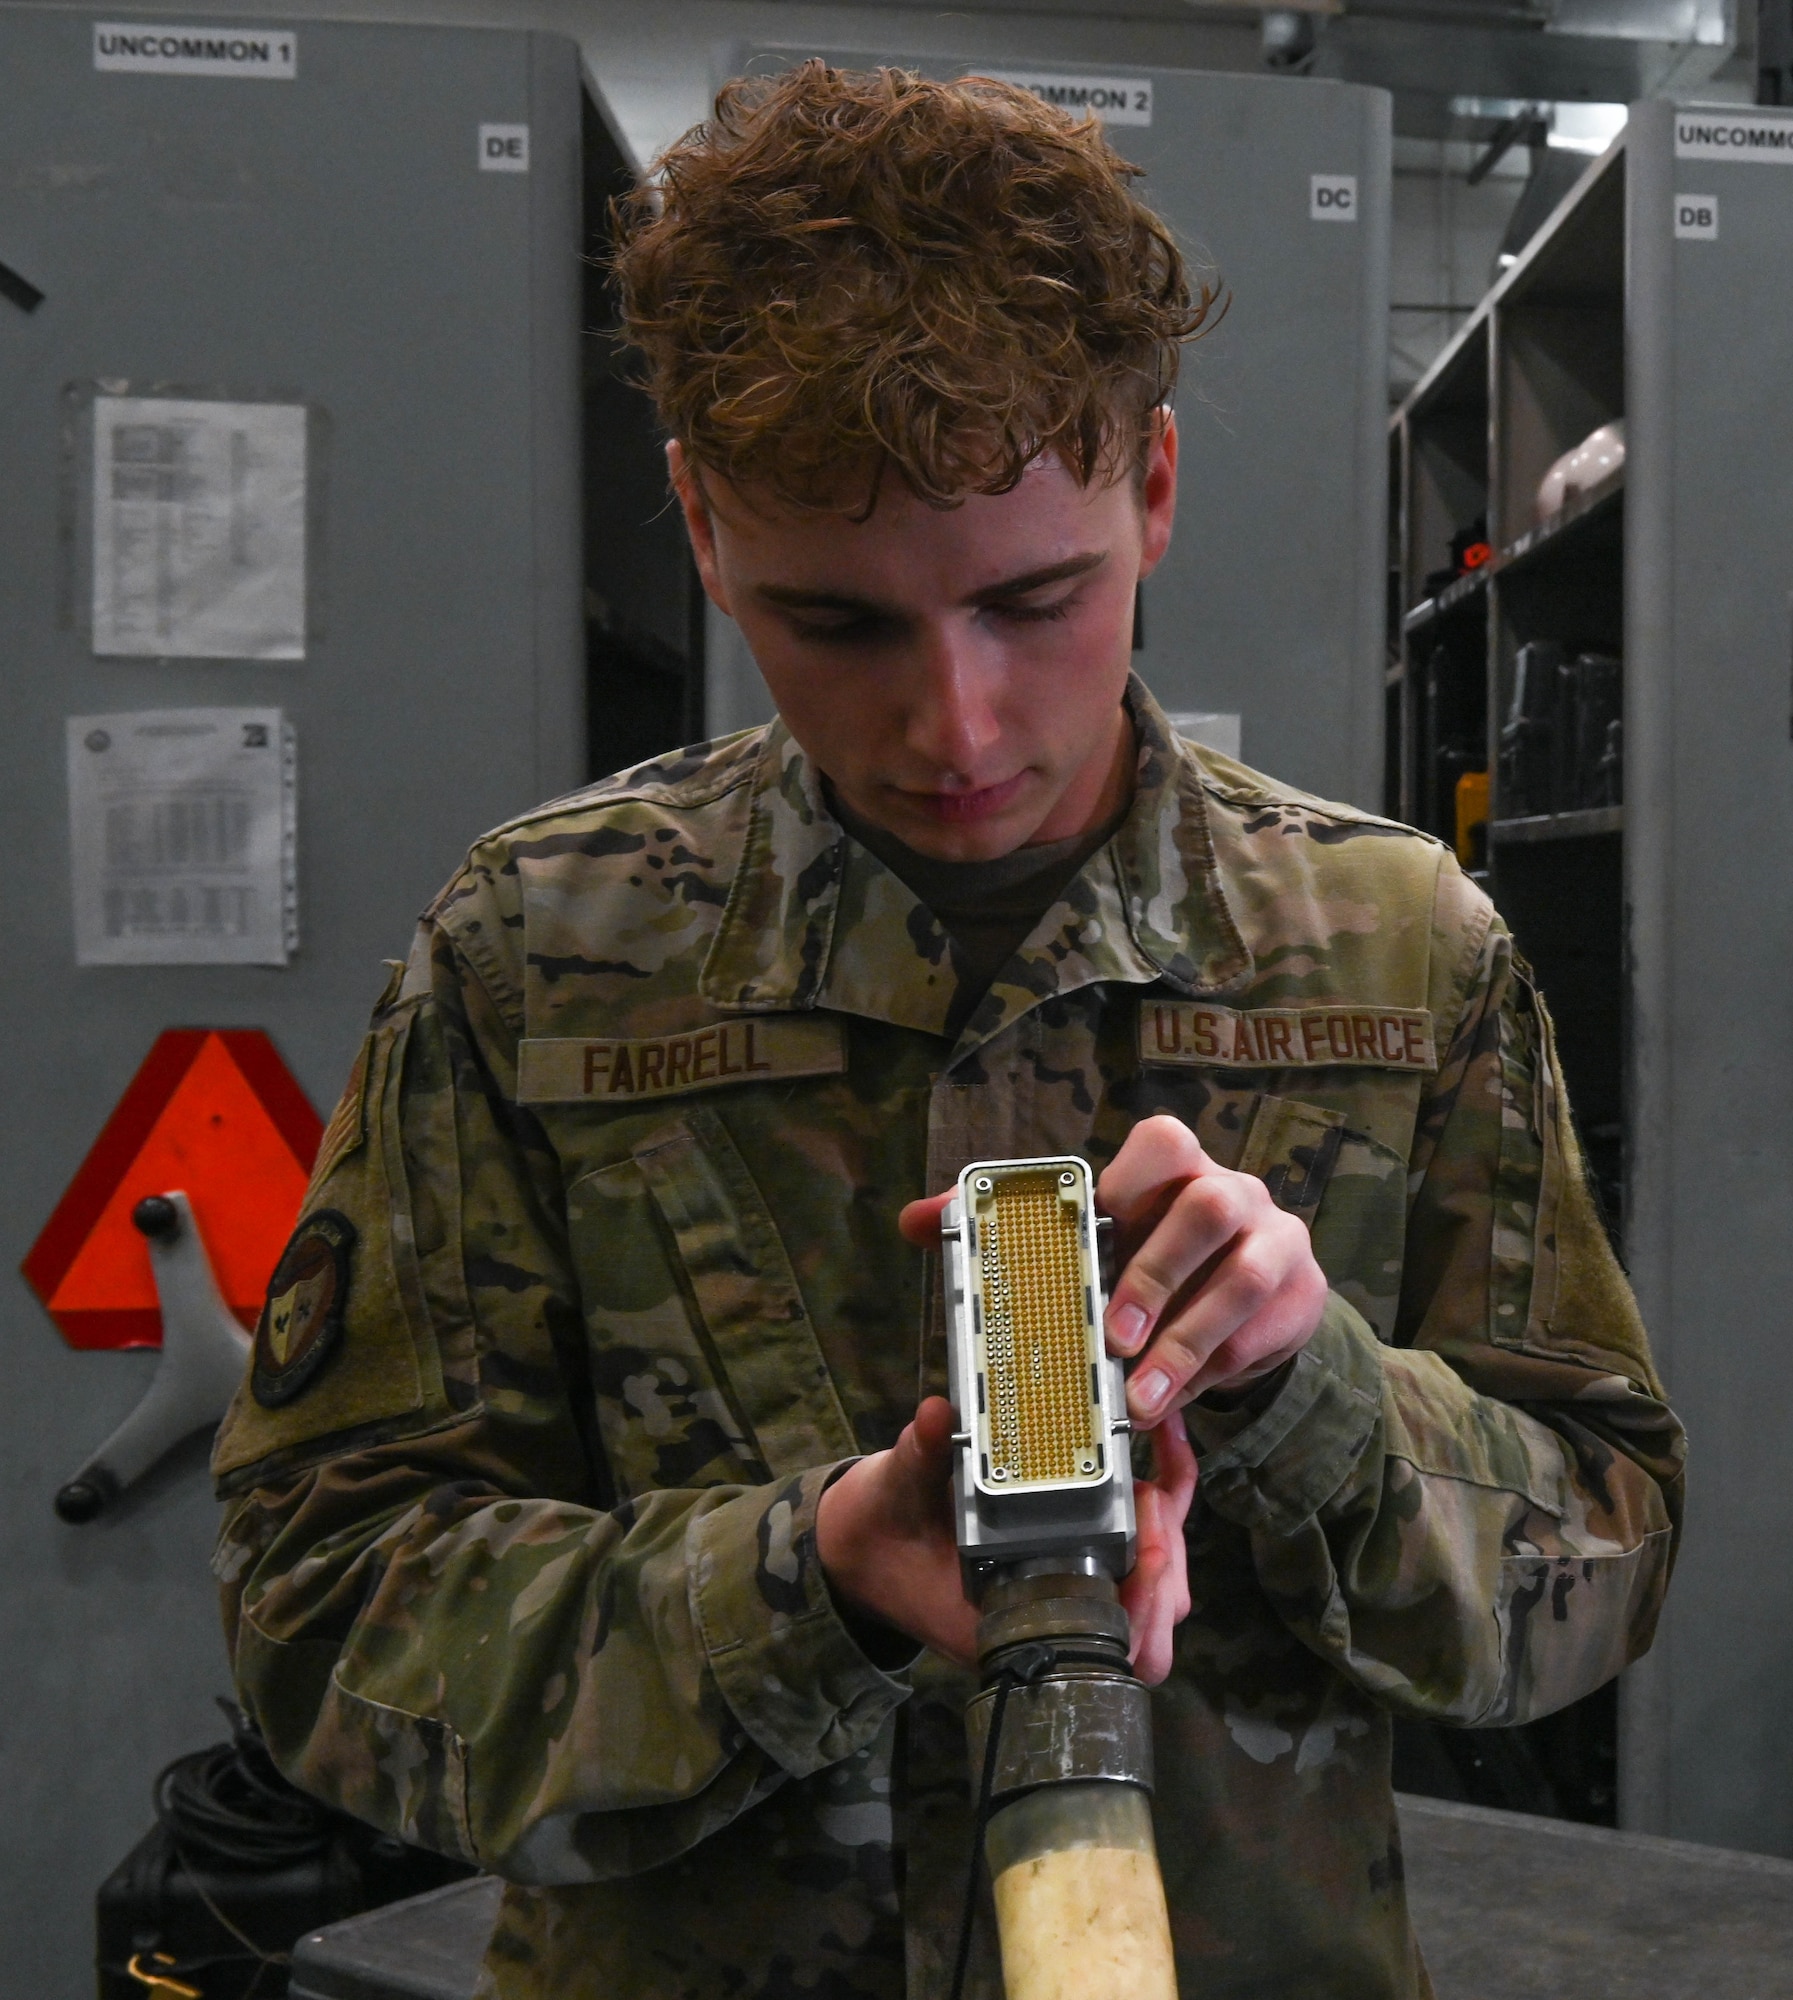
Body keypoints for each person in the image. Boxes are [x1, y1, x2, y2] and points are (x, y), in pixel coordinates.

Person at [212, 63, 1684, 2000]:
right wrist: (802, 1581)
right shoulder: (536, 960)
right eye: (838, 624)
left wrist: (1315, 1391)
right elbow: (318, 1619)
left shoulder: (1401, 956)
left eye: (1035, 601)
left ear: (1154, 488)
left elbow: (1605, 1557)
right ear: (702, 522)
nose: (958, 728)